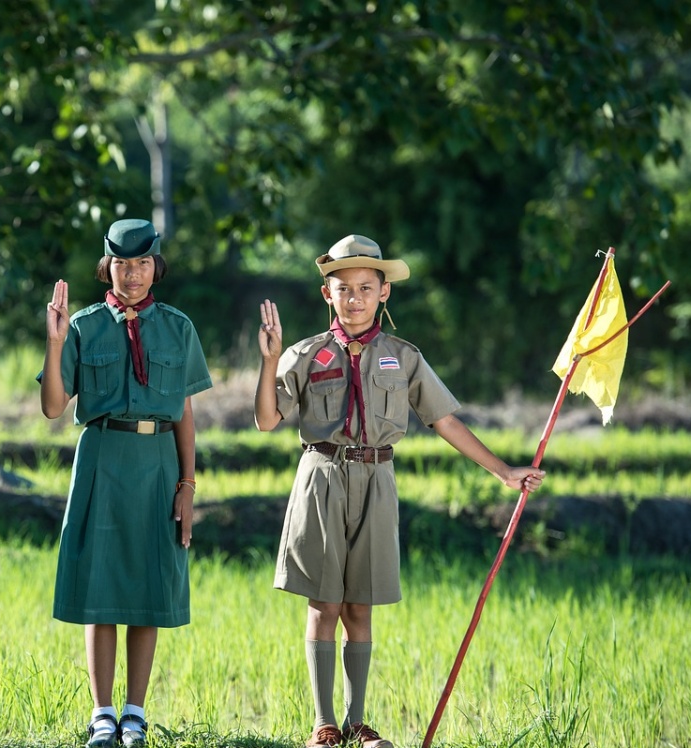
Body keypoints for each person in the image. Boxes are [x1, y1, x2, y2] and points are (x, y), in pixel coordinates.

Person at [253, 235, 545, 748]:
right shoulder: (305, 353)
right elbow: (266, 419)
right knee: (324, 604)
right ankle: (324, 726)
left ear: (384, 292)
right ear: (326, 293)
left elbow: (444, 421)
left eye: (366, 288)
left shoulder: (403, 357)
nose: (355, 298)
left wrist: (503, 472)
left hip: (378, 480)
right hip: (321, 477)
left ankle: (357, 723)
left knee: (360, 606)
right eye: (343, 288)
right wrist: (269, 359)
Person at [40, 219, 212, 748]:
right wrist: (54, 342)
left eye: (141, 263)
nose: (131, 274)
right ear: (106, 267)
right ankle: (103, 713)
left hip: (159, 460)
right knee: (100, 586)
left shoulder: (178, 328)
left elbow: (184, 412)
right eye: (121, 263)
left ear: (155, 266)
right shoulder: (84, 325)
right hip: (102, 456)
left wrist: (187, 484)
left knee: (147, 586)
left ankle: (135, 713)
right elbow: (52, 407)